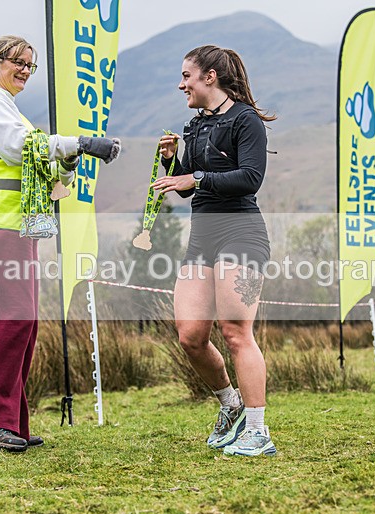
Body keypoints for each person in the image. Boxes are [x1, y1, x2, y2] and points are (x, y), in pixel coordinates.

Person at [0, 36, 120, 452]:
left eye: (32, 65)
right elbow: (17, 149)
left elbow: (39, 159)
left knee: (22, 323)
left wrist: (67, 157)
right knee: (5, 319)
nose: (27, 70)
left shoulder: (7, 106)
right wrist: (80, 143)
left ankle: (9, 422)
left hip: (16, 225)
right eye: (19, 63)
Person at [153, 45, 276, 456]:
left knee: (236, 332)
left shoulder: (246, 120)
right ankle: (231, 406)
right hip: (202, 240)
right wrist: (174, 165)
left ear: (210, 77)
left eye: (187, 75)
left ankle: (258, 431)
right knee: (190, 336)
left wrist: (195, 176)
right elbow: (192, 189)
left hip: (242, 233)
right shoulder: (194, 126)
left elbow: (249, 178)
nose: (181, 83)